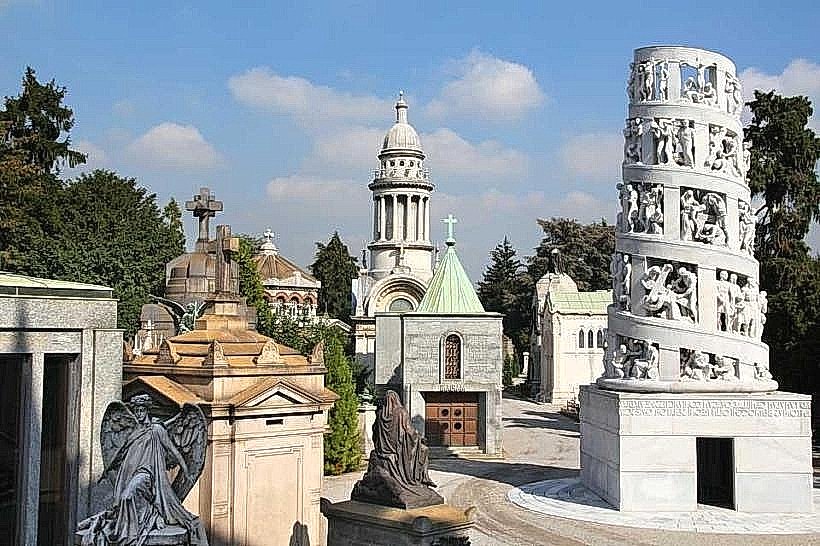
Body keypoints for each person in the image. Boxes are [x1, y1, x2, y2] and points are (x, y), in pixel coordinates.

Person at [77, 395, 208, 546]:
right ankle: (133, 523)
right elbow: (120, 453)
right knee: (124, 500)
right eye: (136, 410)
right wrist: (107, 469)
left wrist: (186, 470)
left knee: (127, 496)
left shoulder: (157, 429)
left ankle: (128, 533)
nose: (139, 413)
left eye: (141, 410)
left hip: (147, 474)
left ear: (147, 410)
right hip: (128, 473)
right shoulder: (134, 431)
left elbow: (173, 451)